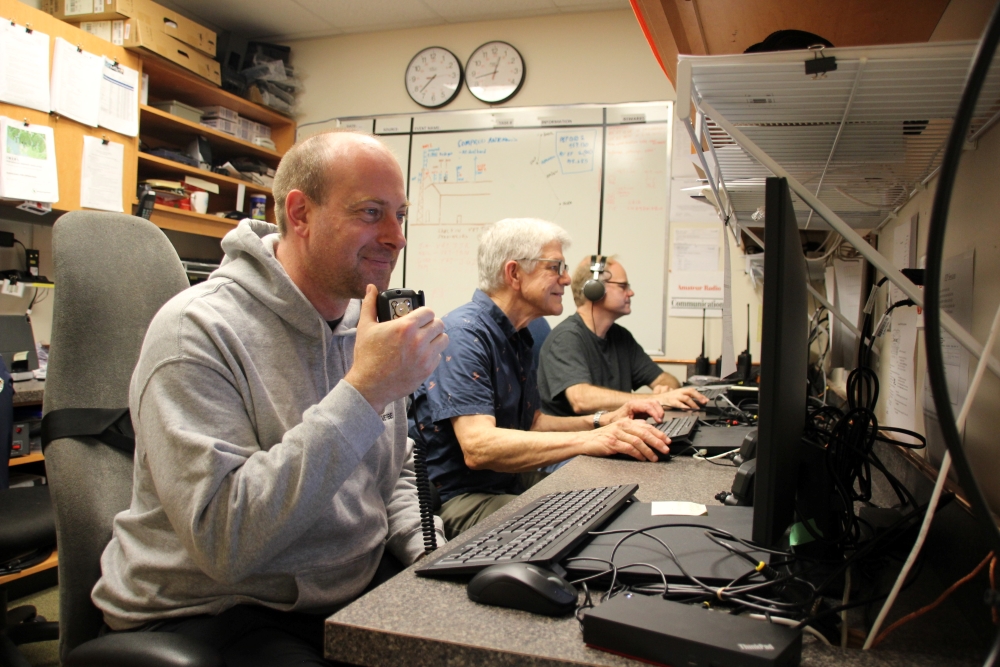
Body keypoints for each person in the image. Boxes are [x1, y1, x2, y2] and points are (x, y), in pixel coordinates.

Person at [91, 130, 449, 666]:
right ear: (300, 214)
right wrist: (365, 391)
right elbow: (225, 543)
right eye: (372, 213)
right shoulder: (196, 331)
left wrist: (432, 555)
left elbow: (395, 470)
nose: (396, 237)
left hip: (342, 583)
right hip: (220, 604)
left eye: (400, 214)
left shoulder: (364, 324)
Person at [408, 219, 670, 539]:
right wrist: (592, 440)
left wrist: (602, 422)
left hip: (509, 479)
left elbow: (532, 424)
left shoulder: (521, 333)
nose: (566, 278)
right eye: (555, 267)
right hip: (463, 497)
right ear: (514, 273)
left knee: (615, 496)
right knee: (584, 529)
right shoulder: (464, 335)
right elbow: (479, 447)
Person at [538, 255, 707, 418]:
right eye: (623, 286)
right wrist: (655, 399)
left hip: (612, 438)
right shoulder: (566, 338)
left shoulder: (620, 336)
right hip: (579, 444)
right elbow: (581, 399)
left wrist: (667, 391)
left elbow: (663, 378)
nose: (631, 293)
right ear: (595, 289)